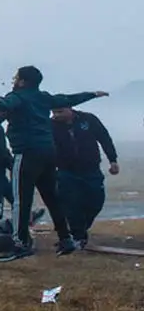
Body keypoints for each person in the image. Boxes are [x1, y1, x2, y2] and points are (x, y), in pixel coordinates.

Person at [0, 65, 108, 262]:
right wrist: (92, 94)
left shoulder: (19, 96)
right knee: (52, 197)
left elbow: (8, 102)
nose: (13, 81)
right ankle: (66, 239)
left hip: (27, 153)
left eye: (16, 78)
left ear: (22, 81)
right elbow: (67, 99)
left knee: (21, 200)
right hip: (48, 153)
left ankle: (21, 244)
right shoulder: (43, 97)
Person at [52, 106, 120, 249]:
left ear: (69, 109)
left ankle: (81, 228)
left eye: (60, 111)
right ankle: (78, 236)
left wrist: (113, 160)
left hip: (91, 169)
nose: (56, 115)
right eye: (54, 112)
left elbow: (104, 138)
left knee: (96, 201)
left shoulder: (88, 119)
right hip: (66, 171)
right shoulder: (51, 125)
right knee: (71, 204)